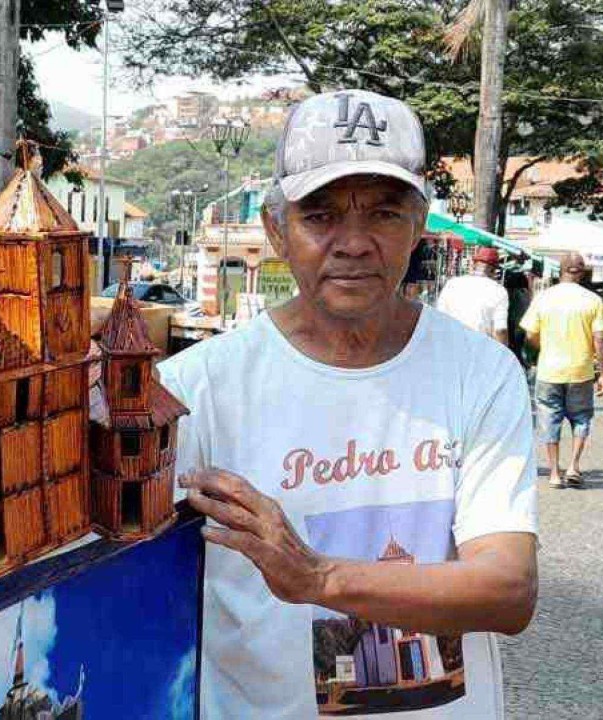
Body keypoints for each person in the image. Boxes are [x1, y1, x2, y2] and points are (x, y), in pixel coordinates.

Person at [159, 89, 537, 719]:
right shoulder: (196, 389)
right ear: (277, 229)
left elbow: (508, 590)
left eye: (384, 214)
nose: (354, 242)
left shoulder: (480, 372)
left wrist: (320, 579)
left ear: (418, 227)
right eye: (321, 215)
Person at [519, 252, 603, 489]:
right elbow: (600, 338)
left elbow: (530, 334)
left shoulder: (544, 298)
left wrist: (541, 348)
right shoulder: (592, 300)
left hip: (549, 370)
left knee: (549, 418)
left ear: (560, 270)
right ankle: (573, 466)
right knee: (581, 418)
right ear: (582, 272)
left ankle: (553, 473)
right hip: (581, 370)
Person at [436, 246, 510, 345]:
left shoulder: (452, 284)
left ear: (473, 265)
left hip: (450, 344)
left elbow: (439, 318)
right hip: (479, 349)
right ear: (494, 271)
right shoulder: (499, 291)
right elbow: (500, 330)